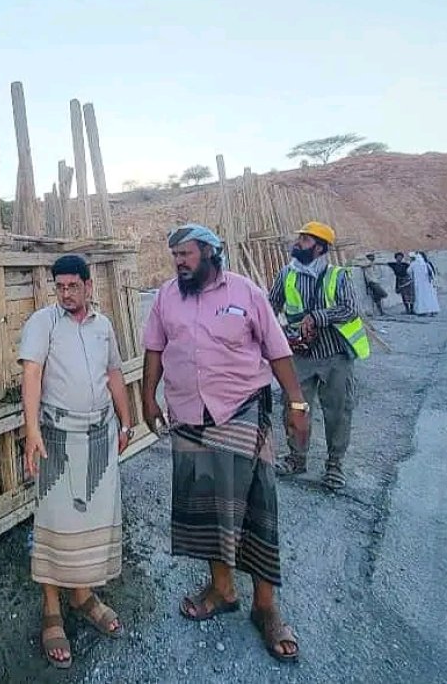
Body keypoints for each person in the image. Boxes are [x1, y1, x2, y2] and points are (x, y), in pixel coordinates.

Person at [141, 224, 307, 663]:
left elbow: (277, 350)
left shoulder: (246, 292)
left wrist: (297, 404)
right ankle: (222, 589)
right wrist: (147, 398)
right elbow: (154, 350)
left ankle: (266, 607)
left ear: (212, 253)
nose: (179, 262)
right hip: (189, 417)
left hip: (242, 412)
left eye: (187, 254)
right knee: (208, 511)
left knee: (257, 508)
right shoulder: (166, 297)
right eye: (175, 255)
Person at [19, 254, 133, 669]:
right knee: (55, 521)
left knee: (91, 520)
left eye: (72, 286)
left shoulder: (103, 326)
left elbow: (114, 374)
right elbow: (31, 374)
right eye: (59, 286)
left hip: (99, 435)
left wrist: (126, 420)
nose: (65, 293)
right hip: (56, 437)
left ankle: (83, 595)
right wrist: (31, 430)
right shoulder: (42, 323)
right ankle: (52, 608)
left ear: (88, 285)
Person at [269, 221, 369, 490]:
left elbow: (350, 309)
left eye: (305, 239)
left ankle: (335, 465)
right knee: (295, 408)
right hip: (299, 356)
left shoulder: (338, 276)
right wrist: (274, 328)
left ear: (320, 247)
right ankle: (296, 458)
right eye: (300, 237)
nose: (298, 242)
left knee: (337, 411)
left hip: (335, 355)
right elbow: (270, 306)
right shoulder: (286, 275)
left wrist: (318, 316)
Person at [409, 251, 440, 316]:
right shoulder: (427, 264)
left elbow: (409, 272)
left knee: (420, 297)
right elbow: (432, 274)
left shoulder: (414, 264)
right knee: (430, 297)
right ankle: (432, 310)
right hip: (428, 285)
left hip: (419, 285)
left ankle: (422, 311)